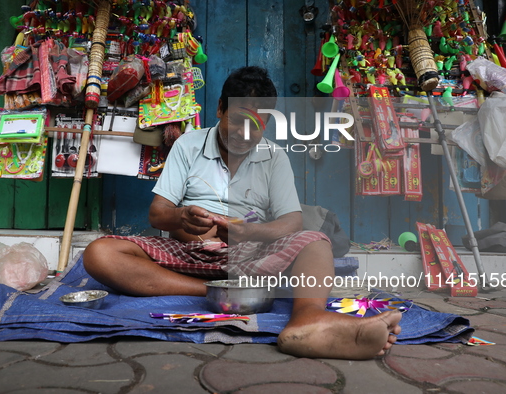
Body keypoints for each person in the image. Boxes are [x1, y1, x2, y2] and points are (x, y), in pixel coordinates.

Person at [83, 66, 401, 359]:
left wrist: (247, 232)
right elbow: (157, 214)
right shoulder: (188, 145)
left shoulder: (274, 156)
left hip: (253, 257)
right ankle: (217, 292)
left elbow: (292, 221)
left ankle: (308, 320)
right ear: (220, 109)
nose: (244, 133)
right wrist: (182, 218)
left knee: (316, 241)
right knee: (100, 253)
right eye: (237, 119)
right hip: (190, 255)